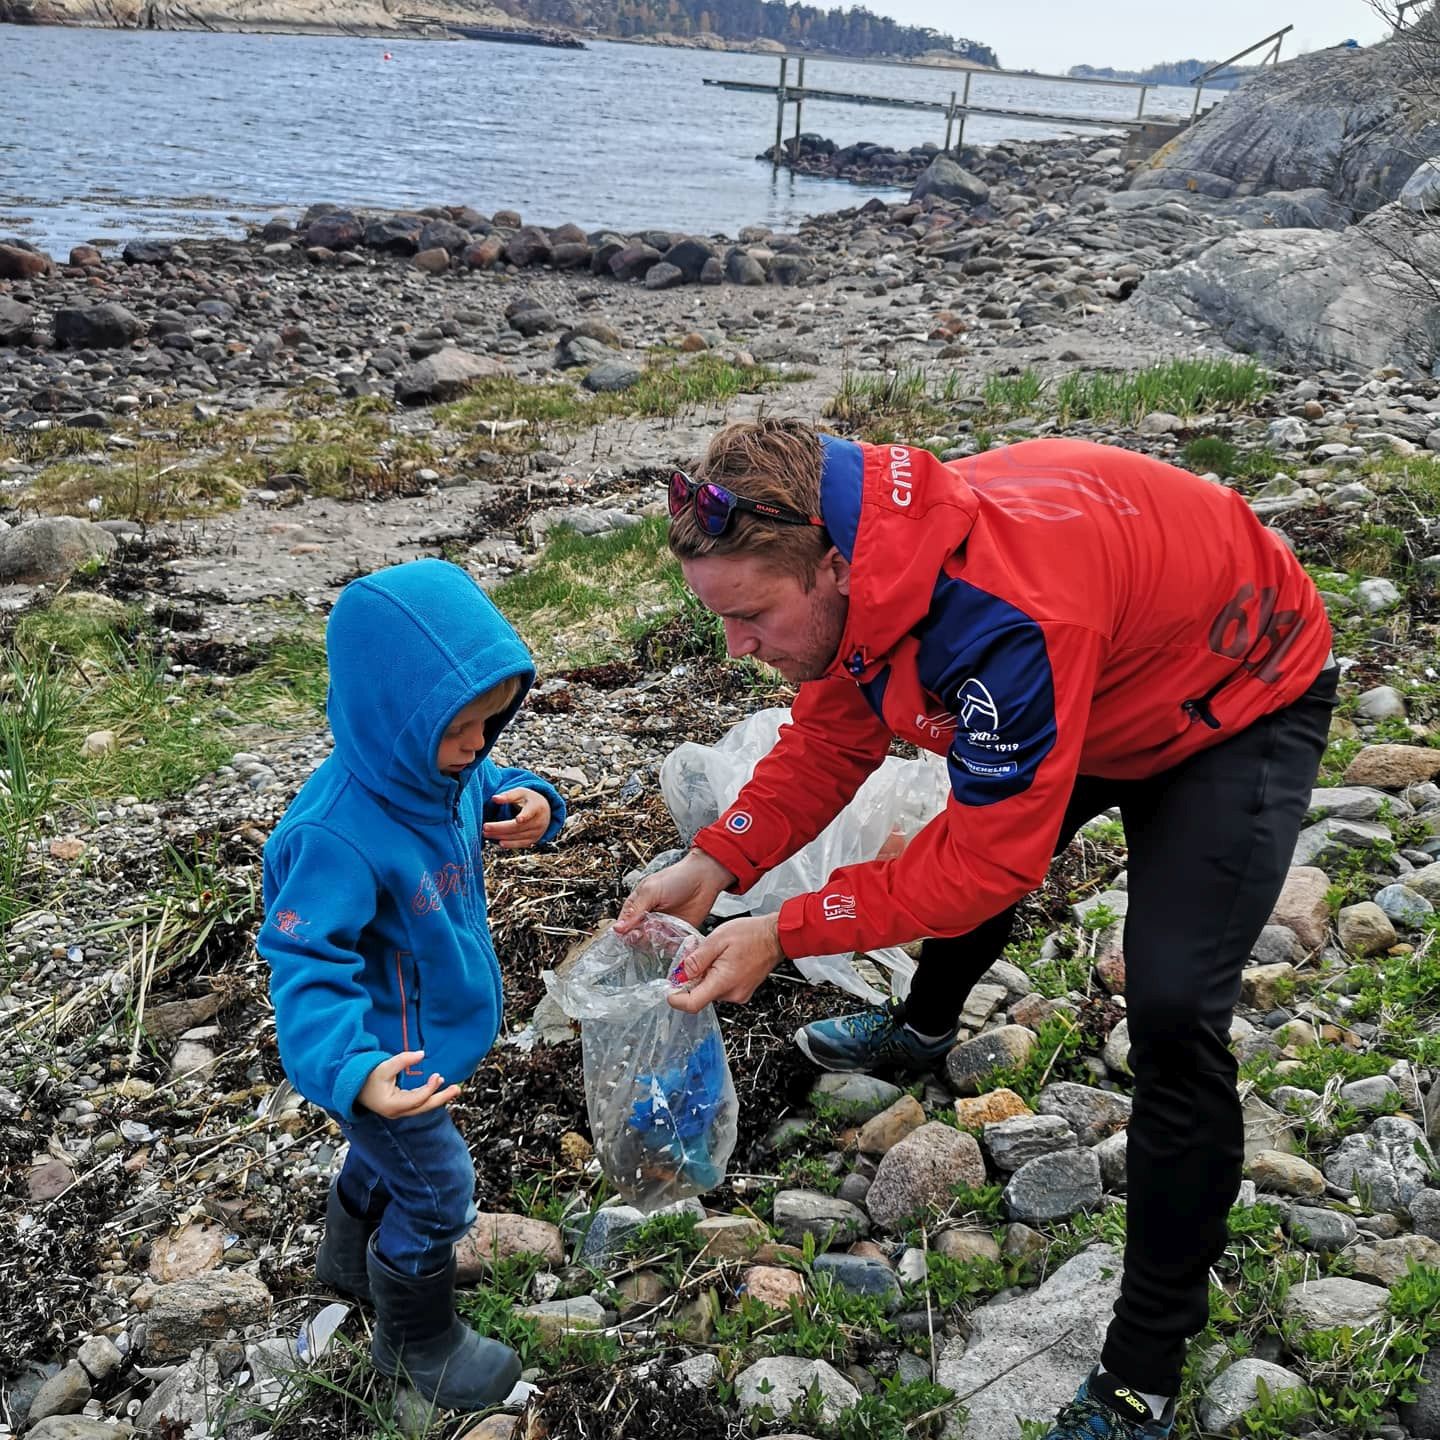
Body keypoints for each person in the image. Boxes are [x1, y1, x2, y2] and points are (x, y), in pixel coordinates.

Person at [617, 418, 1336, 1439]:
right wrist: (716, 859)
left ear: (836, 566)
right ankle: (923, 1027)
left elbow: (991, 861)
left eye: (753, 618)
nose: (738, 648)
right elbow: (831, 734)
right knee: (982, 820)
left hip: (1235, 692)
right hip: (1105, 653)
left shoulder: (1002, 619)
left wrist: (784, 931)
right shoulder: (869, 570)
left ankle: (1143, 1372)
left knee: (1172, 1012)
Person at [259, 558, 566, 1410]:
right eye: (463, 727)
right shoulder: (336, 836)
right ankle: (415, 1342)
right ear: (393, 718)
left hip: (431, 1034)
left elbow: (491, 785)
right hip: (379, 1056)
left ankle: (347, 1261)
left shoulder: (448, 771)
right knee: (439, 1193)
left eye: (492, 723)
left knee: (386, 1158)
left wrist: (535, 800)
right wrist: (354, 1072)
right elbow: (304, 965)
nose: (479, 747)